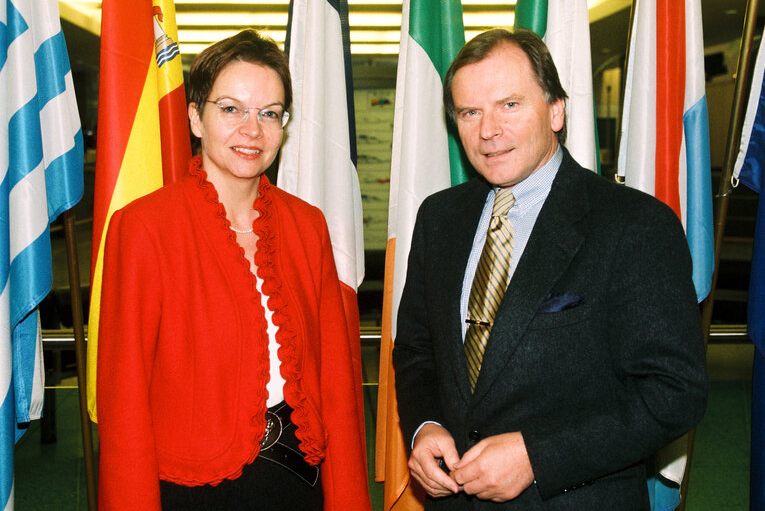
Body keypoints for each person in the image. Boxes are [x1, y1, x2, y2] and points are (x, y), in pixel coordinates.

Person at [392, 28, 708, 510]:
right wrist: (425, 425)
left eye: (509, 105)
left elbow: (674, 392)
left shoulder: (633, 225)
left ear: (556, 111)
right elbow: (417, 348)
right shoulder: (439, 218)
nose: (487, 131)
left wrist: (537, 455)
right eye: (469, 112)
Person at [96, 30, 372, 511]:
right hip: (191, 489)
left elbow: (337, 384)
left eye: (269, 113)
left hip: (297, 482)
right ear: (195, 118)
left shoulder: (307, 226)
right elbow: (125, 399)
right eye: (231, 109)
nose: (253, 130)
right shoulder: (143, 227)